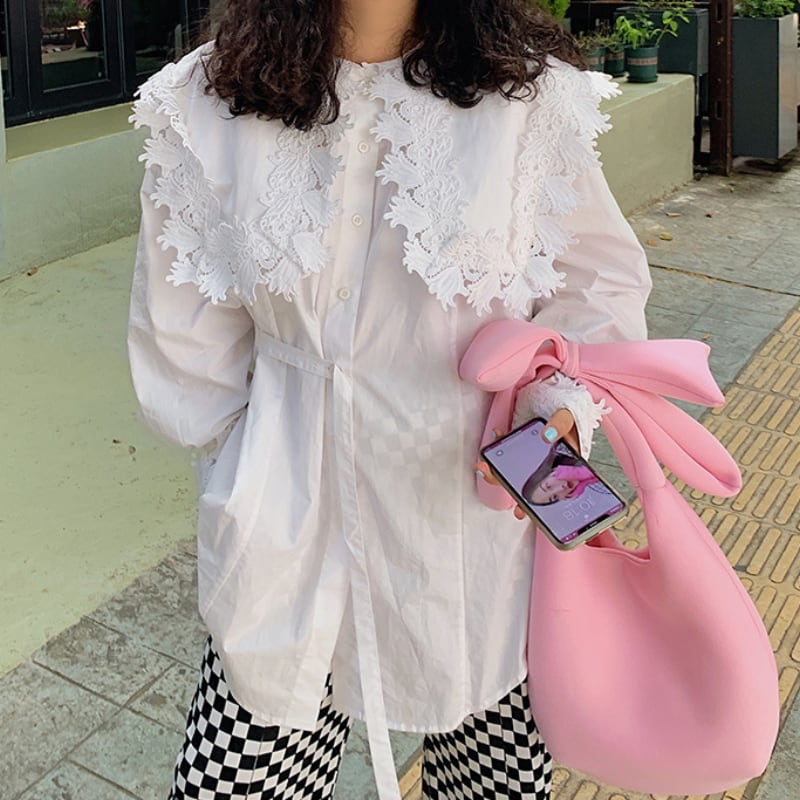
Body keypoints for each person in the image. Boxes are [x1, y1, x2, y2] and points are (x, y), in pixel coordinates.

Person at [127, 1, 651, 798]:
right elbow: (182, 335)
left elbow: (597, 284)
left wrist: (559, 411)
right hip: (287, 515)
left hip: (479, 515)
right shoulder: (207, 99)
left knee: (494, 774)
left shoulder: (527, 97)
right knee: (238, 771)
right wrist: (250, 461)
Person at [522, 443, 600, 506]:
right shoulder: (585, 481)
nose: (561, 488)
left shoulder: (564, 448)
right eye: (555, 496)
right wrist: (582, 484)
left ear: (547, 473)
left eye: (548, 486)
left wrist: (577, 473)